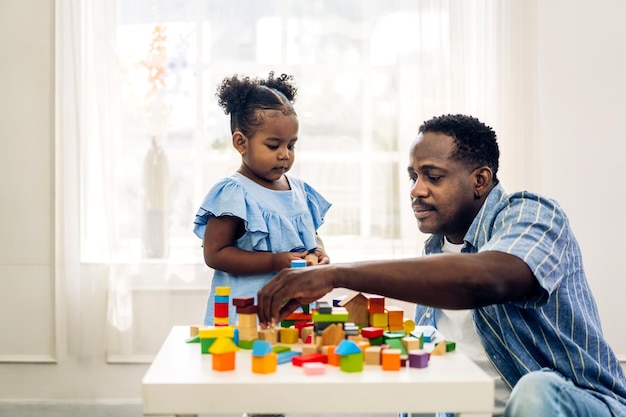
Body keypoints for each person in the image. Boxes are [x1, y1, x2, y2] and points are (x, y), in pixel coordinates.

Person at [257, 114, 626, 417]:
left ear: (480, 180)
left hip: (577, 405)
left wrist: (334, 274)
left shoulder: (532, 214)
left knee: (536, 389)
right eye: (413, 177)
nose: (417, 190)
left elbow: (486, 280)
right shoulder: (435, 251)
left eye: (432, 177)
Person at [193, 72, 331, 326]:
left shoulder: (299, 190)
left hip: (293, 315)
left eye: (291, 146)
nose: (284, 155)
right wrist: (274, 261)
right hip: (244, 318)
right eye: (273, 145)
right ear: (241, 142)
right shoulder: (234, 193)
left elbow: (309, 234)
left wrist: (318, 251)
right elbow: (215, 253)